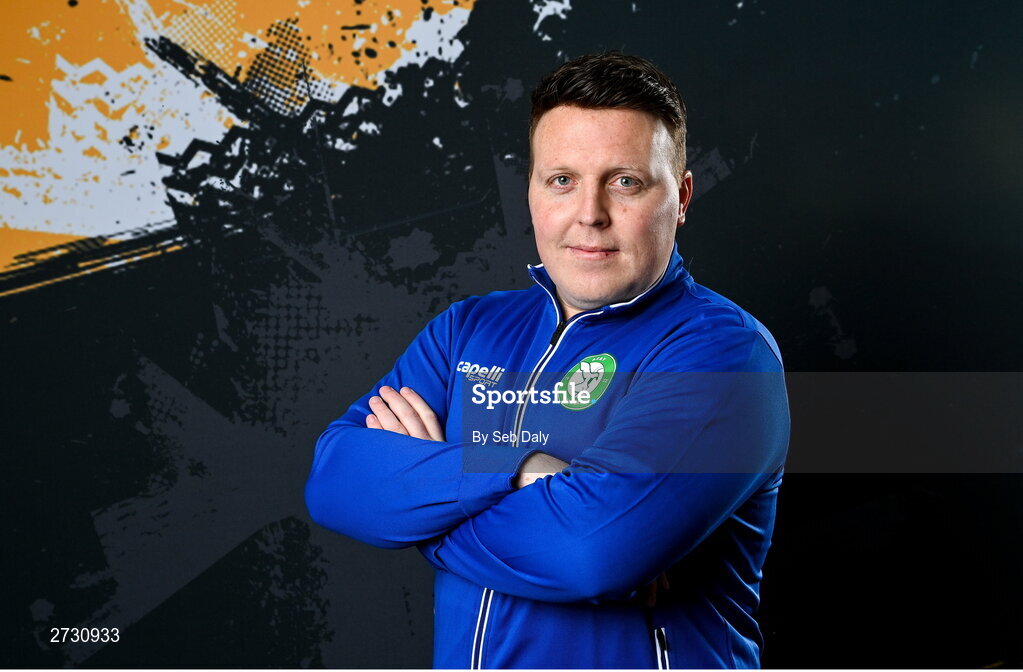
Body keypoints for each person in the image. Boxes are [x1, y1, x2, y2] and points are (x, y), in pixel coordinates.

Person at [305, 51, 789, 669]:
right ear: (532, 191)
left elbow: (592, 552)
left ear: (683, 196)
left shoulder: (724, 356)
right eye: (562, 180)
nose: (590, 214)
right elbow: (334, 480)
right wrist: (524, 467)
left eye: (625, 182)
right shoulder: (465, 331)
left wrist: (421, 509)